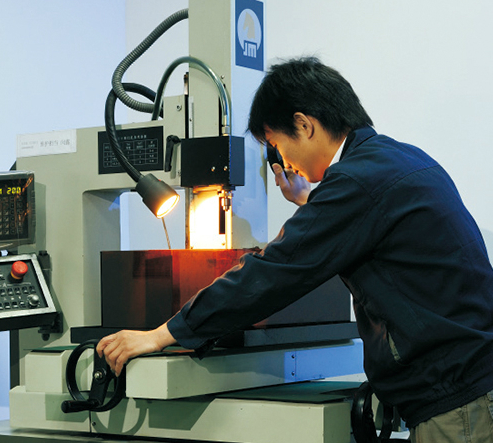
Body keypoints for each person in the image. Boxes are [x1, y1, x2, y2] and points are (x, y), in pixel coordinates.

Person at [97, 57, 493, 442]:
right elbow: (367, 232)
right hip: (472, 383)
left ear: (304, 125)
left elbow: (273, 271)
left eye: (275, 145)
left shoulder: (356, 183)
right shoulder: (399, 159)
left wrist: (164, 333)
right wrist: (310, 203)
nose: (282, 161)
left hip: (457, 406)